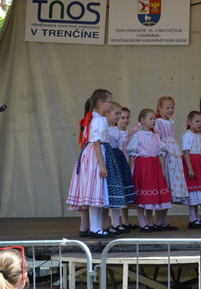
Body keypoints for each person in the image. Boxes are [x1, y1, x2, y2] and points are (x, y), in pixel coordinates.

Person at [66, 89, 126, 238]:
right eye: (109, 102)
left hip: (92, 155)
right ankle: (95, 228)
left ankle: (94, 226)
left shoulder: (94, 118)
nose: (111, 104)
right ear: (101, 103)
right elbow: (96, 142)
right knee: (95, 192)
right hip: (95, 156)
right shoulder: (98, 119)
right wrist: (102, 165)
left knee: (96, 192)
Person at [126, 108, 173, 232]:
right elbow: (132, 155)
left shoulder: (155, 135)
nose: (153, 121)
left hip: (154, 166)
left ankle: (150, 222)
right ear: (142, 120)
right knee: (142, 196)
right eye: (151, 118)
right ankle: (142, 223)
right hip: (143, 167)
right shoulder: (137, 136)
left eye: (154, 118)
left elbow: (160, 153)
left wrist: (163, 170)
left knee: (150, 197)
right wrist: (131, 172)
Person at [106, 102, 136, 233]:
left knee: (123, 193)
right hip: (116, 163)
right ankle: (115, 223)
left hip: (123, 163)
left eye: (126, 117)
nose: (123, 119)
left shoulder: (129, 133)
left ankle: (123, 222)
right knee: (116, 193)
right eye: (120, 116)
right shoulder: (112, 130)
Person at [155, 96, 189, 205]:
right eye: (167, 108)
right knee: (166, 178)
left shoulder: (171, 122)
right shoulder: (158, 122)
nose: (170, 110)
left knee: (173, 175)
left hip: (173, 152)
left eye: (172, 108)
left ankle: (163, 219)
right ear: (160, 108)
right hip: (165, 152)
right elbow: (157, 138)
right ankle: (159, 219)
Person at [182, 110, 201, 229]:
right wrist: (190, 168)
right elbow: (186, 152)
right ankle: (192, 218)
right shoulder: (187, 135)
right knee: (193, 190)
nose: (199, 124)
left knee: (200, 189)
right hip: (192, 162)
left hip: (199, 162)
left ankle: (198, 217)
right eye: (197, 121)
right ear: (189, 122)